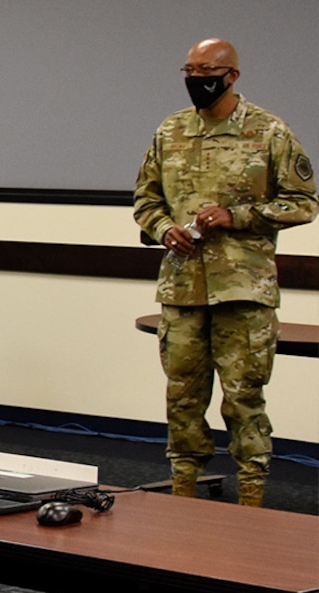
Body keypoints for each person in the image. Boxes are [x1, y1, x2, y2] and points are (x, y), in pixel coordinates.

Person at [131, 38, 314, 507]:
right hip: (182, 287)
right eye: (188, 70)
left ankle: (251, 499)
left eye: (206, 70)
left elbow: (304, 203)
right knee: (183, 400)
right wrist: (164, 229)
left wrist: (240, 215)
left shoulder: (269, 131)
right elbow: (145, 201)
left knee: (244, 399)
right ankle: (182, 497)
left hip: (243, 289)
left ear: (231, 75)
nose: (197, 79)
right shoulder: (169, 132)